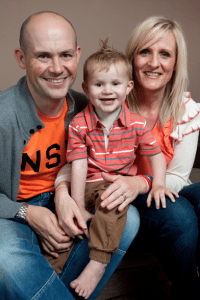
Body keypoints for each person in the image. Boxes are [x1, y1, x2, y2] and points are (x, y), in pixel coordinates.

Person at [0, 11, 140, 300]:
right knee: (6, 258)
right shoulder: (3, 116)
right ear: (21, 58)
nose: (57, 68)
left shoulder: (86, 106)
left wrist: (63, 194)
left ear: (77, 55)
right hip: (13, 211)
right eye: (43, 56)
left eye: (65, 55)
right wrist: (28, 213)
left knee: (130, 217)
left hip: (70, 199)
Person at [55, 39, 177, 299]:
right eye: (99, 85)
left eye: (115, 84)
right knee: (63, 227)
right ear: (87, 89)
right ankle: (51, 271)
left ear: (128, 87)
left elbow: (156, 155)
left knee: (114, 205)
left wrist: (157, 184)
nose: (107, 91)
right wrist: (77, 204)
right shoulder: (79, 124)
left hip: (113, 186)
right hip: (86, 185)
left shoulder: (136, 123)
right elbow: (76, 164)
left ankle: (98, 263)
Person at [98, 17, 200, 299]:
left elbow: (179, 177)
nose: (154, 63)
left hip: (157, 189)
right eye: (145, 52)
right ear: (132, 58)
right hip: (125, 203)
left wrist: (142, 183)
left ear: (176, 63)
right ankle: (188, 290)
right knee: (179, 215)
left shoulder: (187, 109)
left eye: (165, 54)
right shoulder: (111, 99)